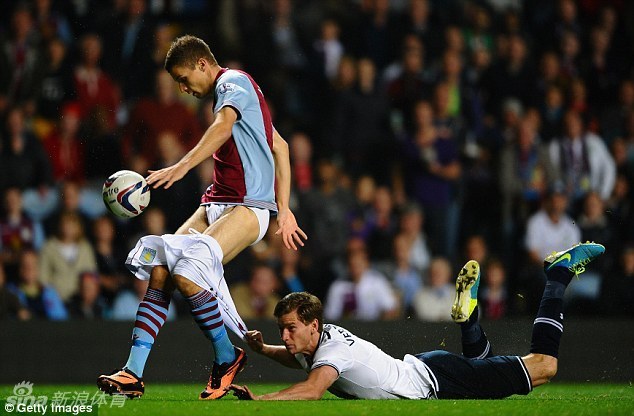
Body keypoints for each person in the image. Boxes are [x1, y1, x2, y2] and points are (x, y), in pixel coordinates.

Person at [97, 35, 307, 400]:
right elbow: (281, 147)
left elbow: (224, 127)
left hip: (248, 206)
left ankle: (227, 356)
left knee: (188, 270)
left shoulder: (233, 83)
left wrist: (181, 165)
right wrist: (286, 208)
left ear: (202, 65)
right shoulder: (234, 95)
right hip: (215, 203)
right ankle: (132, 372)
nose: (182, 88)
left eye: (183, 78)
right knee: (161, 267)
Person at [227, 242, 604, 400]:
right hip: (429, 368)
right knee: (483, 367)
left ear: (312, 323)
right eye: (282, 330)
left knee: (545, 366)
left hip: (435, 379)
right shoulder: (315, 341)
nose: (285, 336)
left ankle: (557, 276)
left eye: (290, 328)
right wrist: (264, 349)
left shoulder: (332, 352)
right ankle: (469, 317)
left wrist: (262, 398)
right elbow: (295, 356)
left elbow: (312, 389)